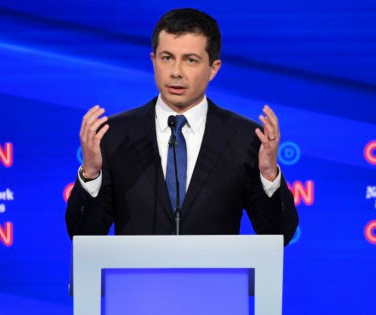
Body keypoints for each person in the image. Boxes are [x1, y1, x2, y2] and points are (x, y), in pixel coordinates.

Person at [65, 8, 298, 245]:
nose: (176, 73)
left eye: (190, 60)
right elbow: (83, 236)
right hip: (136, 281)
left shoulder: (244, 138)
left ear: (213, 68)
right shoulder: (114, 135)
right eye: (167, 58)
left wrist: (269, 175)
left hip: (215, 280)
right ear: (153, 61)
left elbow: (278, 235)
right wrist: (91, 174)